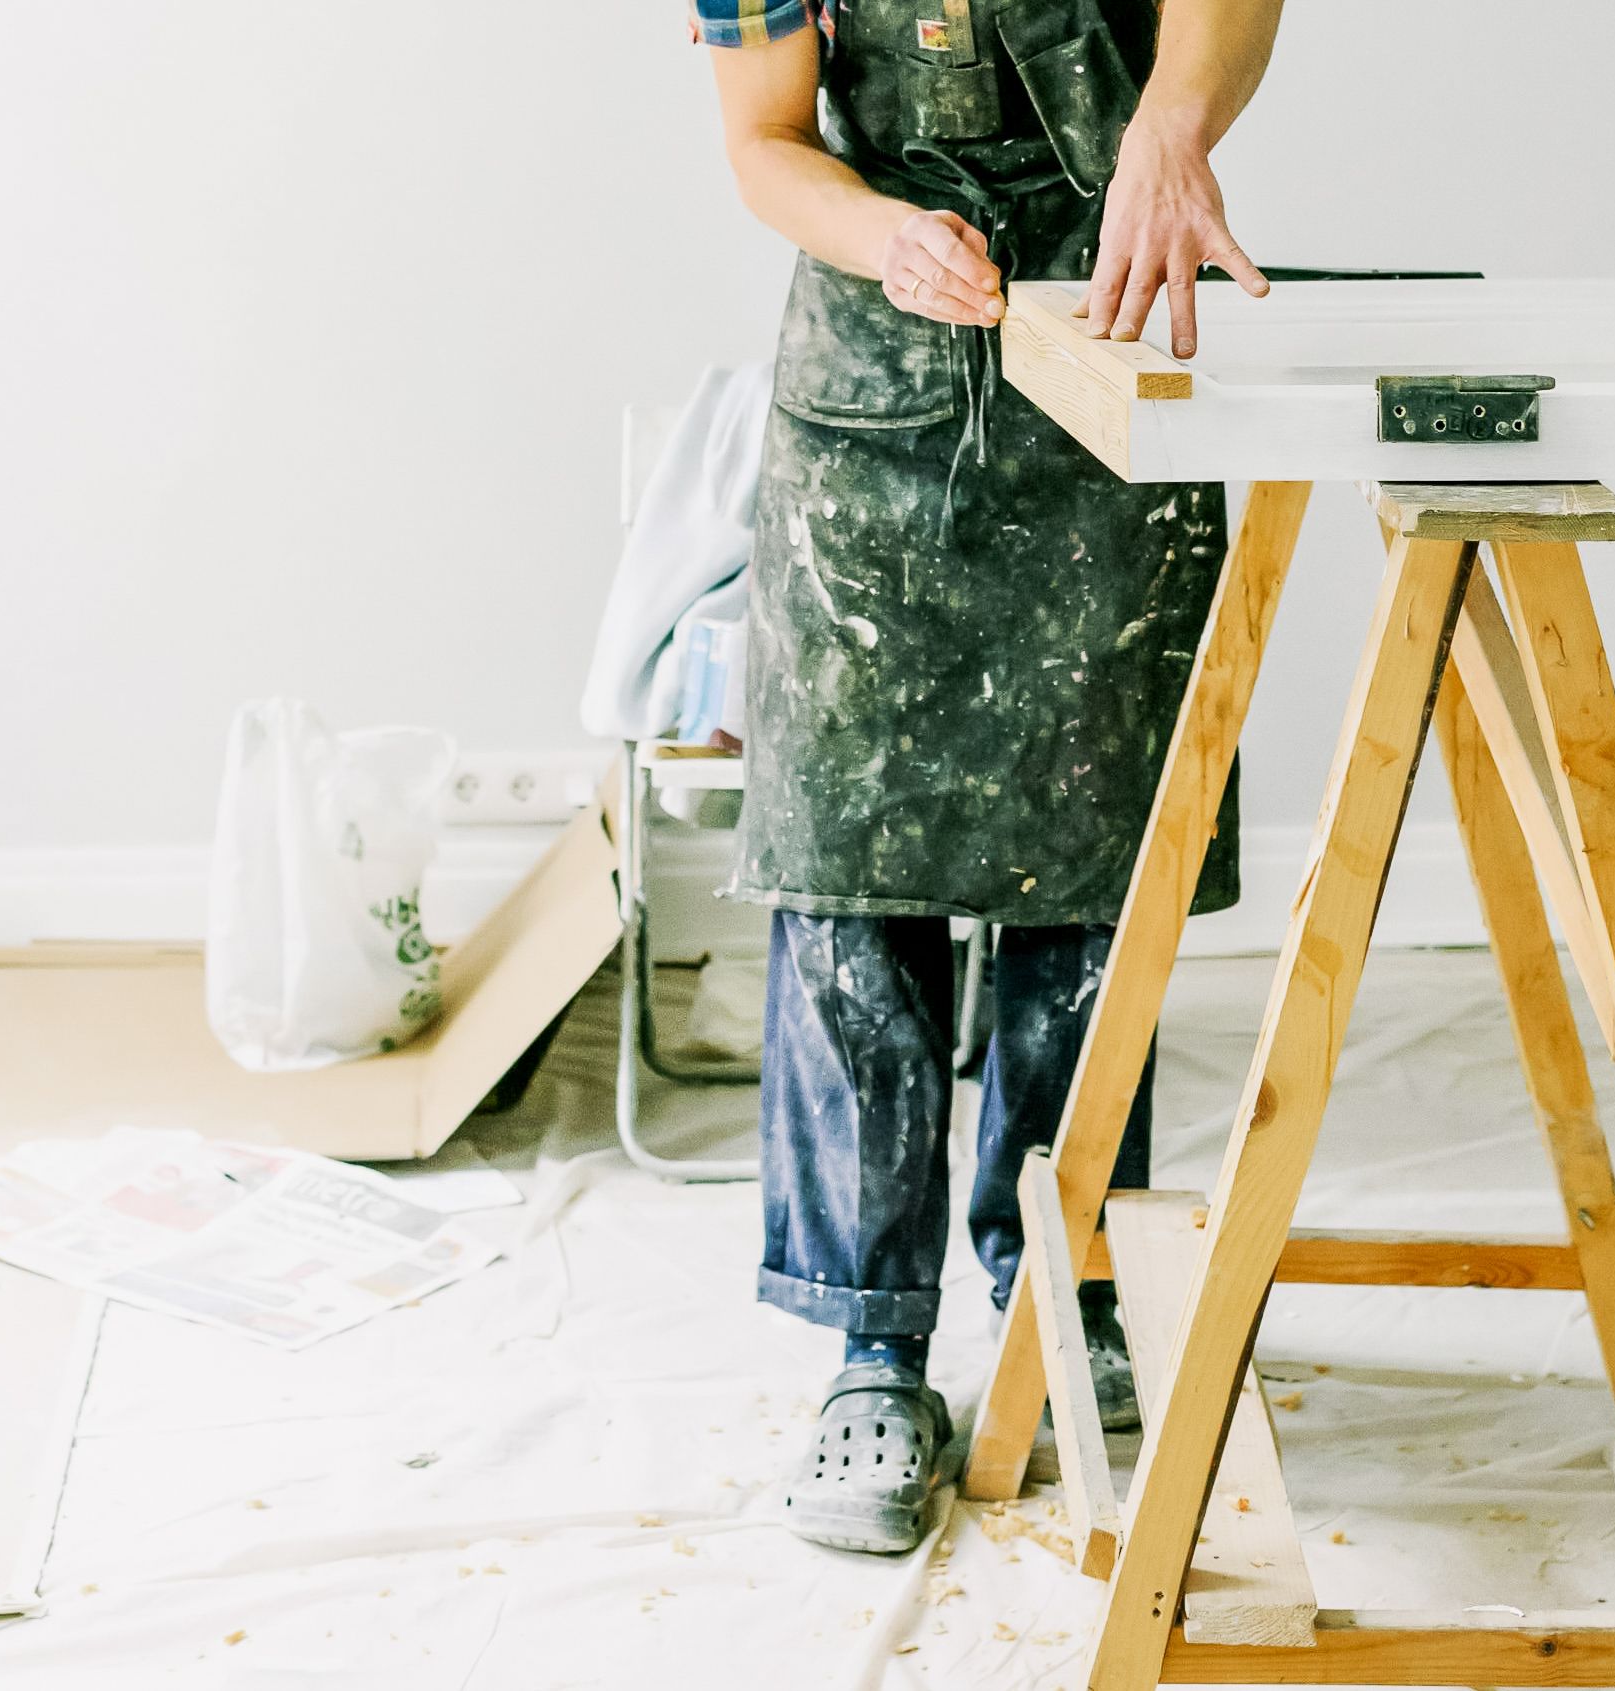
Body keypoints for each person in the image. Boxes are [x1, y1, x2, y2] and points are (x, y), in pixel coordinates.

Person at [696, 0, 1284, 1554]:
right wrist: (884, 233)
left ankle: (1061, 1281)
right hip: (872, 383)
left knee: (1095, 872)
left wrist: (1170, 127)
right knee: (847, 877)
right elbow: (764, 143)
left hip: (1107, 326)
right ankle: (870, 1352)